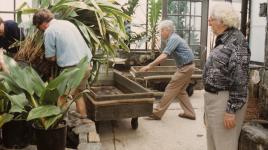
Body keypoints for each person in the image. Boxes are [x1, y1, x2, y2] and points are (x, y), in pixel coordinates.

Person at [203, 3, 251, 150]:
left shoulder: (237, 41)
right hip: (214, 98)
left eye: (211, 19)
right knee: (213, 143)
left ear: (222, 21)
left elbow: (240, 78)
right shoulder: (224, 39)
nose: (208, 22)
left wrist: (231, 111)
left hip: (225, 99)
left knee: (225, 144)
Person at [33, 9, 92, 117]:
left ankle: (61, 124)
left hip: (72, 70)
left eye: (38, 27)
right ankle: (83, 117)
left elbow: (50, 57)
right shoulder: (68, 23)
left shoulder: (49, 31)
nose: (39, 29)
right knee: (78, 94)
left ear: (43, 23)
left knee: (62, 98)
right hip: (86, 65)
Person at [140, 20, 196, 120]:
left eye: (161, 30)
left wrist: (149, 66)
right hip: (188, 66)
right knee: (181, 91)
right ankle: (190, 113)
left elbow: (164, 56)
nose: (160, 33)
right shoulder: (173, 38)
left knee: (170, 88)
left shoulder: (173, 38)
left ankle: (157, 113)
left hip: (185, 68)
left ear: (167, 30)